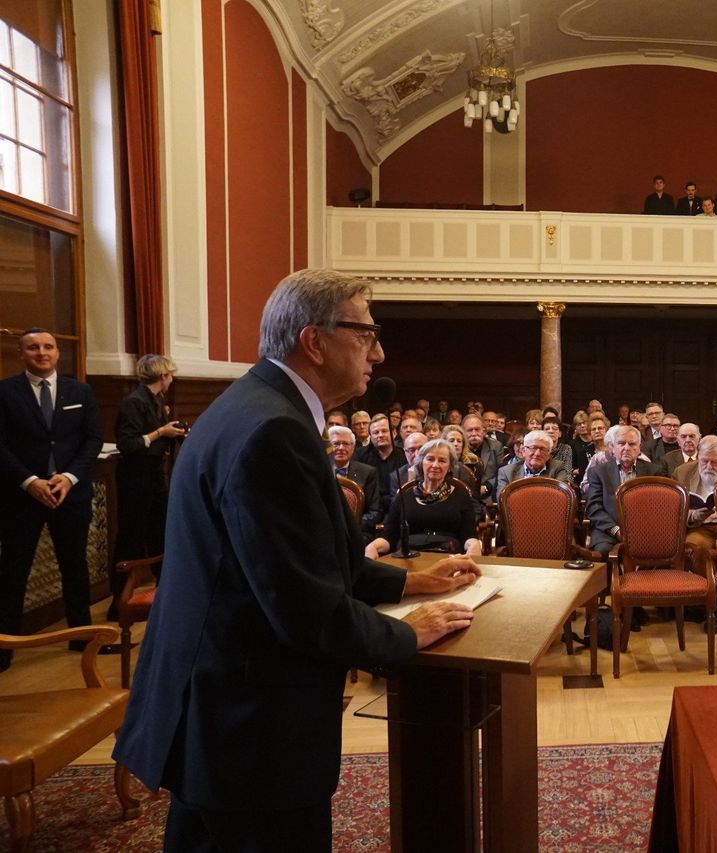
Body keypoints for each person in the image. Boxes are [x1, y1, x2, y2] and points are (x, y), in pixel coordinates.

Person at [113, 271, 478, 848]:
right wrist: (407, 635)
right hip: (249, 726)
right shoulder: (273, 431)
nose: (378, 352)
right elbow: (304, 607)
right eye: (366, 333)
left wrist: (410, 584)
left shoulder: (256, 405)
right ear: (314, 340)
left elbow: (303, 555)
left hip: (218, 708)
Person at [0, 328, 103, 672]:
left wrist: (69, 477)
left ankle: (81, 638)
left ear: (58, 353)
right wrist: (29, 482)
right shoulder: (5, 392)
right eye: (33, 348)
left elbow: (92, 440)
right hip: (22, 497)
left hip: (69, 494)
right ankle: (4, 648)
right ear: (21, 354)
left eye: (48, 347)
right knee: (13, 572)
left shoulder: (80, 391)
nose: (41, 353)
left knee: (75, 566)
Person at [114, 354, 186, 586]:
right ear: (163, 375)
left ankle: (162, 592)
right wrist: (161, 433)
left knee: (159, 534)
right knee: (131, 538)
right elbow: (128, 444)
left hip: (155, 477)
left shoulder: (156, 400)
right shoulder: (134, 402)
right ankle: (120, 600)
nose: (172, 380)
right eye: (170, 375)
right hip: (136, 479)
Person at [366, 438, 484, 558]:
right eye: (430, 459)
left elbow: (469, 537)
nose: (435, 465)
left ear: (450, 466)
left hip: (447, 557)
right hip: (408, 558)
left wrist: (474, 547)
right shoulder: (404, 495)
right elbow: (388, 538)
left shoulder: (460, 495)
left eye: (442, 461)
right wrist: (372, 547)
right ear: (421, 463)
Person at [671, 436, 717, 630]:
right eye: (704, 461)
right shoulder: (682, 472)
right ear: (698, 456)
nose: (709, 466)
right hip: (699, 527)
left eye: (715, 462)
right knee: (695, 548)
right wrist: (694, 515)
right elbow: (673, 510)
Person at [584, 425, 660, 557]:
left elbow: (658, 506)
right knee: (603, 551)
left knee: (657, 550)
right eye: (621, 443)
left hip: (644, 530)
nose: (626, 448)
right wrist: (616, 530)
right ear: (612, 448)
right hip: (608, 530)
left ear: (639, 448)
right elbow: (594, 507)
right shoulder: (598, 472)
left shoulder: (654, 471)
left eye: (632, 444)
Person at [329, 425, 382, 536]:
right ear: (328, 447)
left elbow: (374, 512)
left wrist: (350, 526)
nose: (341, 448)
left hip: (357, 533)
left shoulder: (368, 472)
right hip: (327, 531)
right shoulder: (319, 471)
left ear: (353, 447)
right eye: (336, 444)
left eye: (346, 444)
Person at [495, 429, 573, 498]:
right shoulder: (506, 472)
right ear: (523, 451)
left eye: (543, 449)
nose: (537, 453)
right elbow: (502, 500)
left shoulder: (557, 468)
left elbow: (560, 497)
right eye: (533, 448)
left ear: (549, 455)